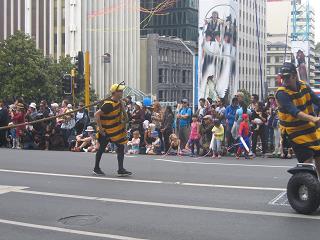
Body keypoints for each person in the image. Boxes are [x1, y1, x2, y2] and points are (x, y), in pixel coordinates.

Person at [276, 62, 320, 175]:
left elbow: (317, 101)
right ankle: (308, 186)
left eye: (287, 76)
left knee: (319, 158)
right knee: (307, 162)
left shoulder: (304, 86)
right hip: (295, 133)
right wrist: (313, 119)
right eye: (282, 77)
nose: (284, 79)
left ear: (295, 75)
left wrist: (313, 120)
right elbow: (295, 112)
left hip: (311, 130)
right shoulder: (281, 93)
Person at [94, 83, 132, 176]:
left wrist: (122, 106)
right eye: (120, 91)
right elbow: (96, 115)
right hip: (106, 131)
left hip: (115, 131)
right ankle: (96, 168)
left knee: (121, 147)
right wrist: (101, 128)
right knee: (102, 148)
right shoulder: (108, 105)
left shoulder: (119, 102)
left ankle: (121, 169)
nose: (122, 93)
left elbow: (126, 118)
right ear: (114, 93)